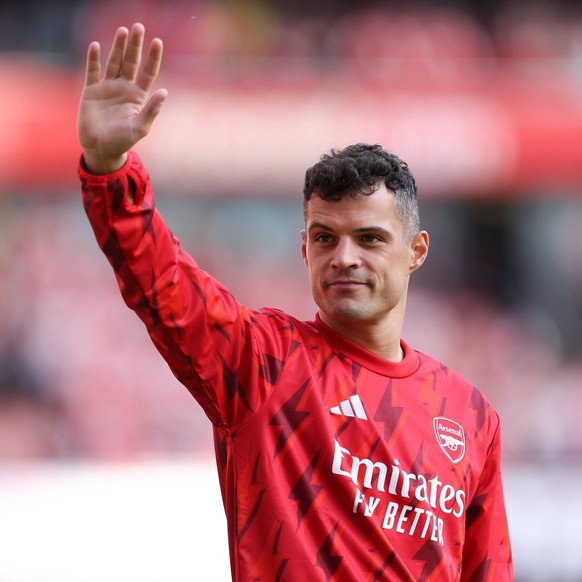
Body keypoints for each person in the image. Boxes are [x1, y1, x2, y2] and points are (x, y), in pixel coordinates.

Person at [77, 23, 513, 582]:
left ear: (416, 251)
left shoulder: (472, 417)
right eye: (326, 238)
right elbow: (159, 280)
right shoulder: (261, 363)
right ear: (304, 249)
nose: (344, 257)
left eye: (371, 238)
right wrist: (110, 171)